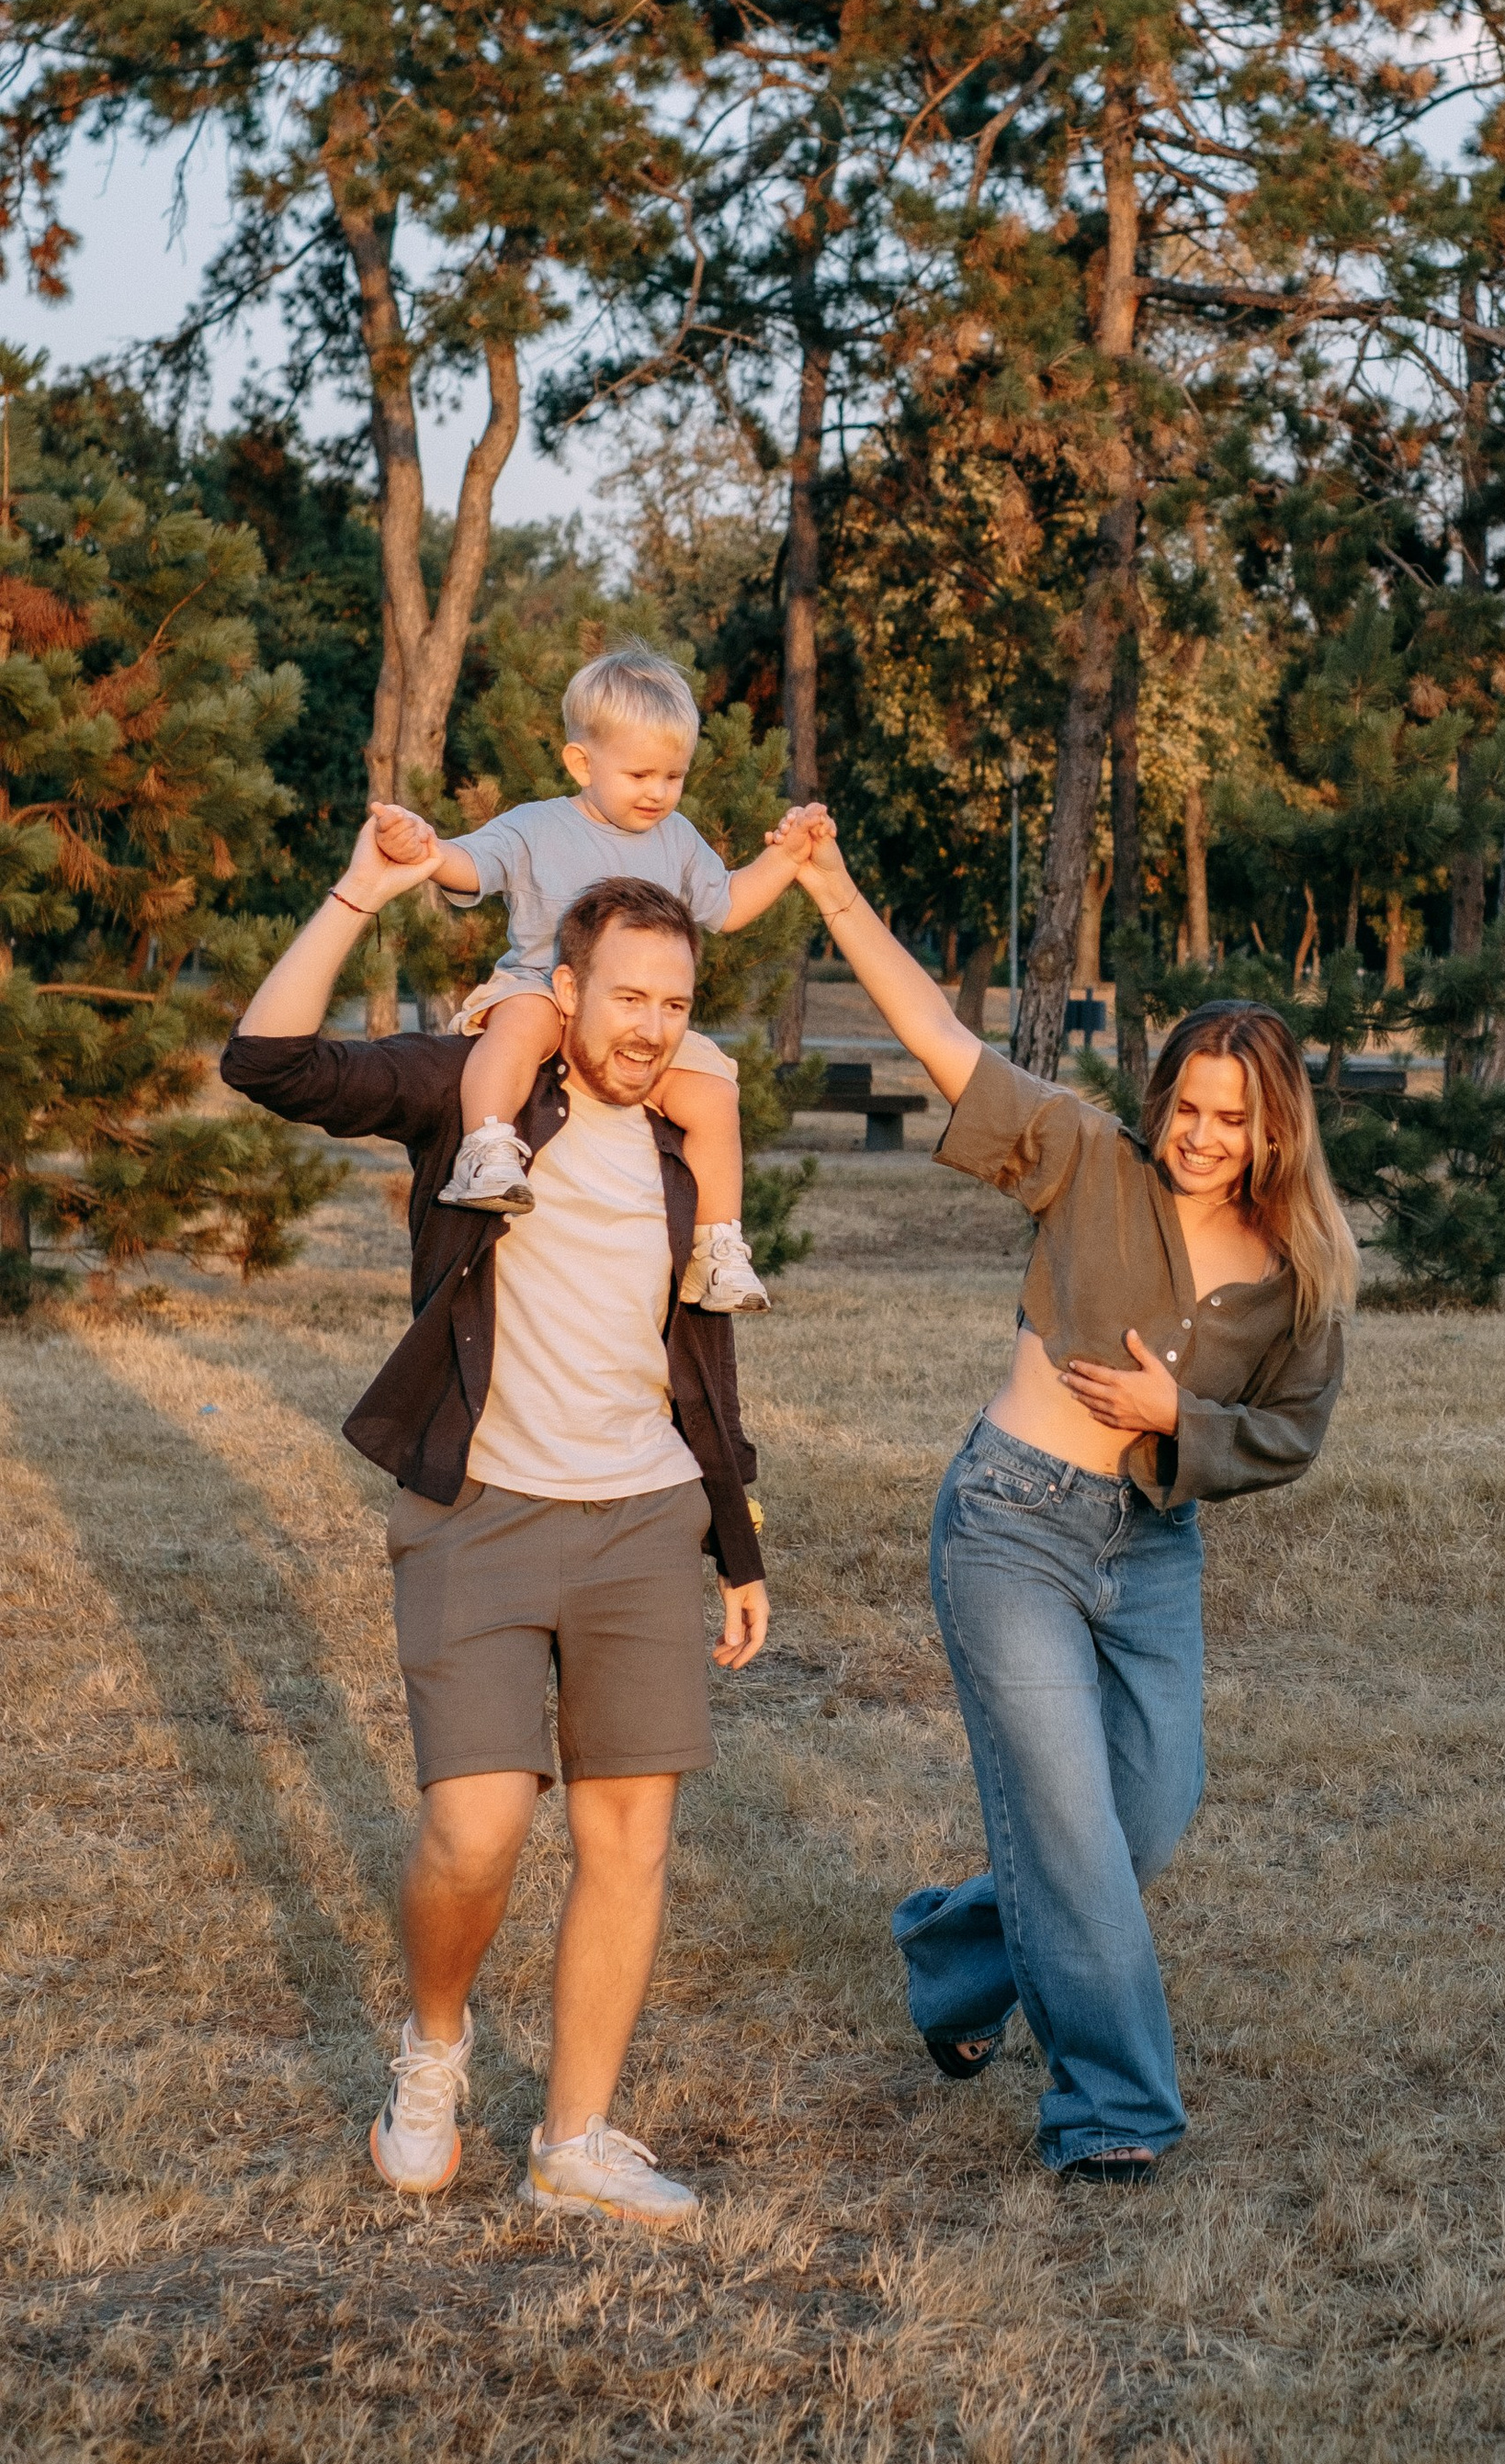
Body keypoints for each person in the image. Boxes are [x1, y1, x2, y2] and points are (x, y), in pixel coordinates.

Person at [777, 802, 1353, 2184]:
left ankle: (953, 1959)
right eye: (1189, 1108)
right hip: (1012, 1526)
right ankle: (1113, 2111)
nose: (1203, 1137)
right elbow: (947, 1048)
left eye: (1233, 1118)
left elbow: (1290, 1437)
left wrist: (1181, 1418)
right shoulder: (1093, 1161)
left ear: (1275, 1127)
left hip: (1152, 1546)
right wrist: (838, 895)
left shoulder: (1306, 1272)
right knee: (1074, 1829)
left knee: (1142, 1820)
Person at [222, 830, 770, 2230]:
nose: (650, 1028)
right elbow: (269, 1062)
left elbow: (698, 1350)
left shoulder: (682, 1131)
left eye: (675, 1002)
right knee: (474, 1832)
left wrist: (736, 1532)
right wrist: (358, 890)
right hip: (477, 1510)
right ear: (563, 989)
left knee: (629, 1838)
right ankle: (436, 2045)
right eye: (627, 997)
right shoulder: (481, 1088)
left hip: (642, 1515)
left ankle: (573, 2139)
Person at [368, 643, 802, 1313]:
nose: (658, 792)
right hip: (544, 988)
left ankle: (715, 1248)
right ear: (581, 762)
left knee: (715, 1092)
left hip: (633, 1019)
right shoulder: (537, 826)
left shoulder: (679, 839)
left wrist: (790, 858)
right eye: (640, 775)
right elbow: (471, 868)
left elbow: (731, 904)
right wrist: (427, 850)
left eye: (674, 777)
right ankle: (487, 1149)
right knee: (523, 1021)